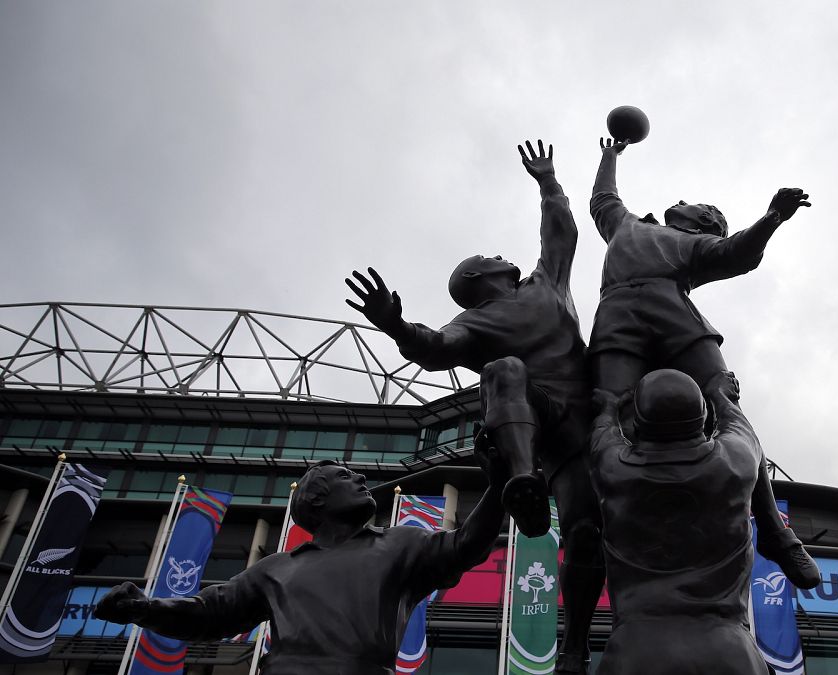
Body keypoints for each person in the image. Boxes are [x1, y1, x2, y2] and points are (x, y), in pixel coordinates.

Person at [343, 140, 603, 674]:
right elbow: (434, 348)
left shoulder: (546, 282)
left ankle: (576, 644)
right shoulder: (475, 325)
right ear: (488, 273)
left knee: (584, 534)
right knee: (502, 371)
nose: (504, 256)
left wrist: (548, 181)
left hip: (592, 414)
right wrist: (395, 325)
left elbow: (562, 231)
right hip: (548, 430)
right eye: (494, 257)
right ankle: (525, 484)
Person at [587, 138, 819, 589]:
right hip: (617, 321)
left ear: (706, 222)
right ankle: (604, 522)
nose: (679, 201)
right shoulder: (625, 225)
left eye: (695, 204)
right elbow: (602, 199)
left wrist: (771, 219)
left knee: (726, 404)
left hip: (676, 320)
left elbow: (739, 253)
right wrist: (610, 155)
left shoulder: (697, 246)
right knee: (605, 409)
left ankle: (772, 527)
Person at [95, 455, 506, 675]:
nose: (363, 479)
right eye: (348, 476)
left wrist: (501, 480)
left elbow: (467, 544)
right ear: (316, 501)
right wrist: (146, 609)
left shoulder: (401, 544)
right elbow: (209, 612)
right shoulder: (275, 568)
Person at [589, 369, 771, 675]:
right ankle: (781, 539)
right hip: (730, 651)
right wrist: (722, 395)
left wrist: (608, 408)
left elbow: (601, 435)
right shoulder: (735, 462)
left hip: (637, 652)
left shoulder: (614, 471)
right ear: (702, 418)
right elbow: (740, 426)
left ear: (639, 425)